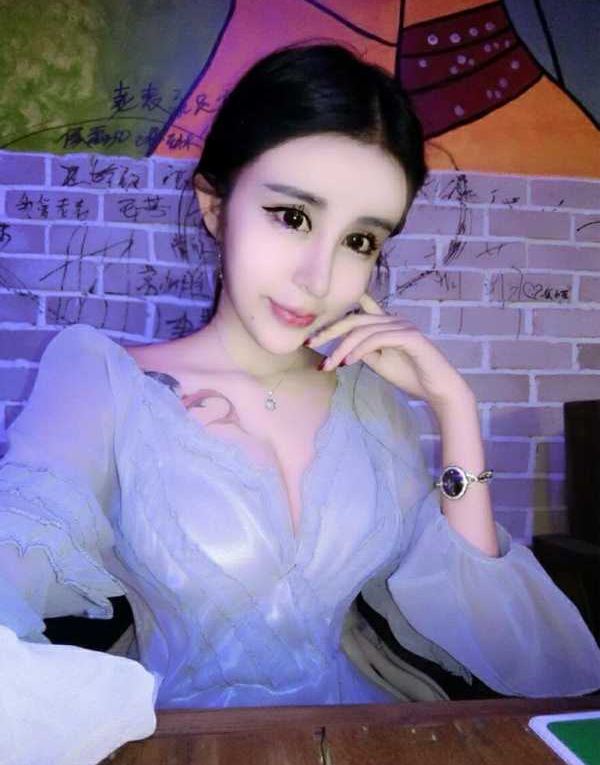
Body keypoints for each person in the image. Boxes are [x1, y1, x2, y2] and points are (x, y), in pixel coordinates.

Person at [1, 42, 599, 765]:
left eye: (360, 239)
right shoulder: (101, 380)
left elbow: (494, 638)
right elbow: (14, 565)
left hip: (365, 744)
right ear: (215, 206)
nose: (320, 277)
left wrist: (454, 409)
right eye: (291, 216)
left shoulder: (369, 401)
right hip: (191, 750)